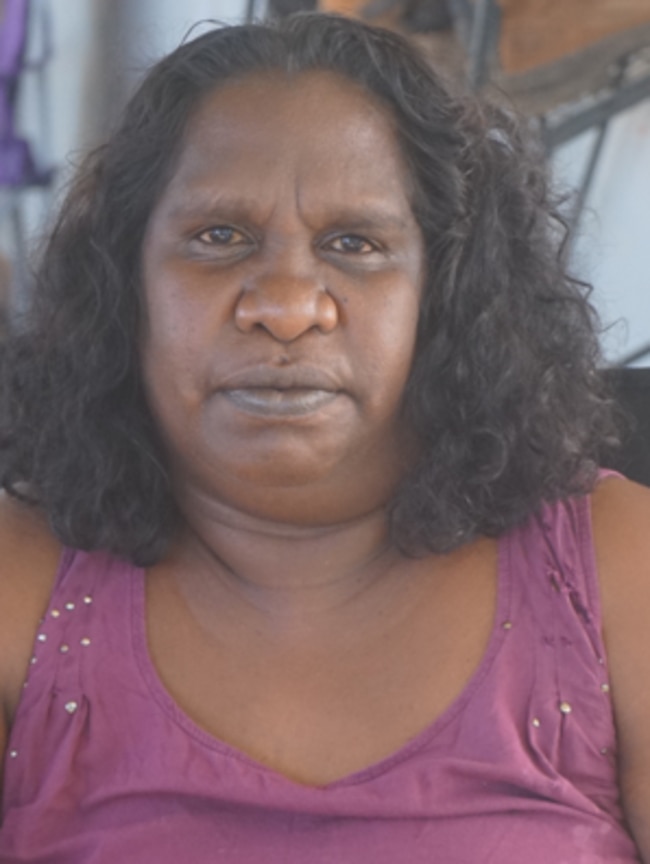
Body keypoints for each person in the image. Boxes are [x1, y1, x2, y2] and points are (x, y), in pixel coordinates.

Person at [0, 12, 648, 862]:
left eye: (355, 243)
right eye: (219, 237)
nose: (287, 305)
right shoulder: (22, 580)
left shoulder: (614, 565)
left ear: (445, 295)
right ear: (128, 287)